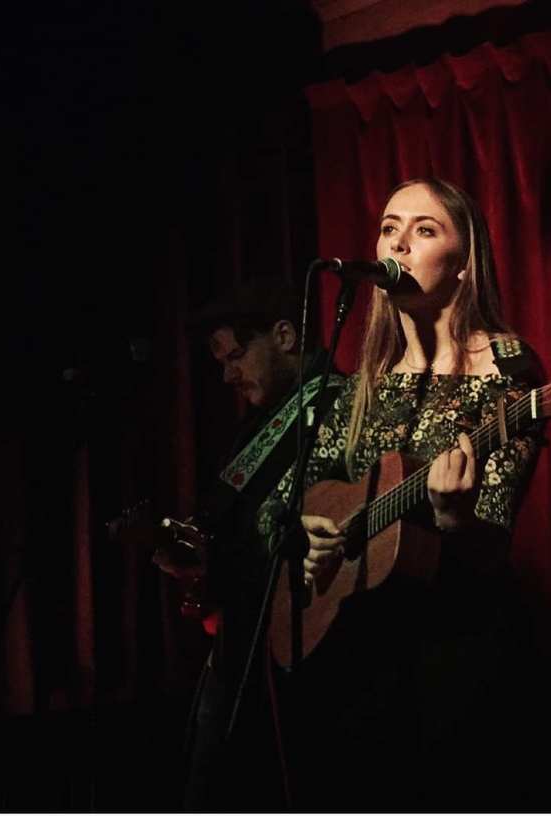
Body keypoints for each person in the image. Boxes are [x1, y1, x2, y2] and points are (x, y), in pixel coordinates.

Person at [264, 178, 546, 811]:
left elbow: (491, 546)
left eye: (424, 229)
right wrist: (305, 531)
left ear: (464, 261)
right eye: (389, 227)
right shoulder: (364, 383)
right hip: (354, 662)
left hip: (451, 656)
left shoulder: (506, 370)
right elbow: (280, 504)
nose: (398, 243)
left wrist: (453, 517)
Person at [153, 275, 344, 811]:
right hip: (242, 648)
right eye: (221, 362)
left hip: (302, 657)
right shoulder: (256, 424)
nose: (227, 375)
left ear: (283, 336)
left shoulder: (339, 403)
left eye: (236, 356)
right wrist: (193, 555)